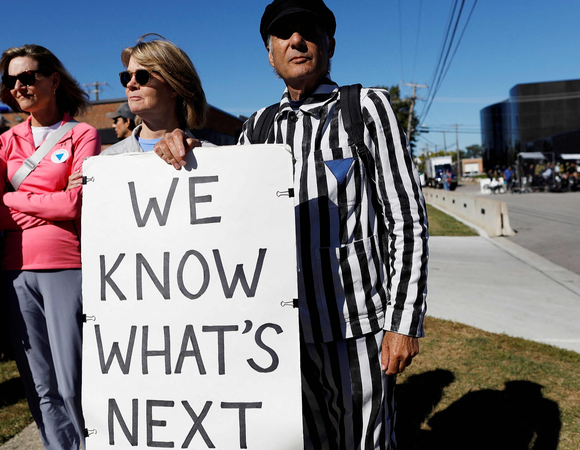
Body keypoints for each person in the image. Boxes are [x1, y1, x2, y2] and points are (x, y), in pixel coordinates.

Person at [156, 1, 428, 448]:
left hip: (356, 328)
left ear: (330, 45)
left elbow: (407, 220)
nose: (297, 41)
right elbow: (227, 198)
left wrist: (403, 321)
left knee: (365, 441)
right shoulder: (258, 127)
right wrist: (185, 146)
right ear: (270, 54)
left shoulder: (366, 108)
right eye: (284, 34)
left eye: (309, 31)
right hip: (279, 335)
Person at [0, 44, 100, 450]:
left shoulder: (81, 134)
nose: (20, 85)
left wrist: (13, 199)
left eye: (29, 76)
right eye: (12, 80)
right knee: (39, 385)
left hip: (66, 266)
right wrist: (49, 203)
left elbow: (76, 203)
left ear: (54, 78)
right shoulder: (4, 142)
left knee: (72, 380)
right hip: (14, 272)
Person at [100, 34, 209, 157]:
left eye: (142, 76)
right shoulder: (106, 159)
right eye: (127, 77)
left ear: (174, 87)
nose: (130, 84)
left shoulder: (212, 157)